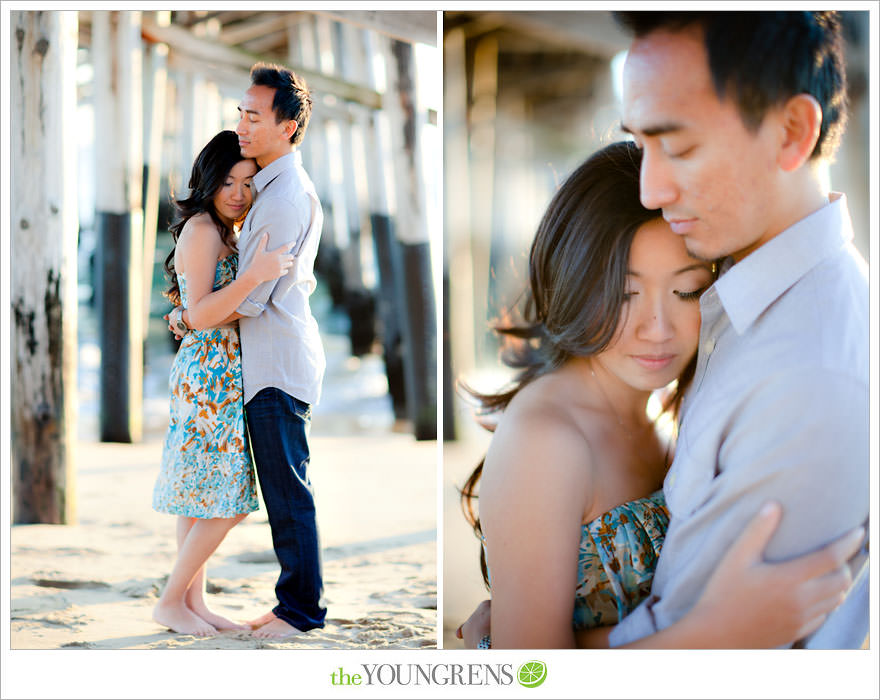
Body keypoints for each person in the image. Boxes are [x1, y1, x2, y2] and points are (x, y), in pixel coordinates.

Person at [464, 9, 869, 649]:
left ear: (793, 131)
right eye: (642, 144)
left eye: (677, 146)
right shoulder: (738, 305)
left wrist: (522, 638)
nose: (652, 188)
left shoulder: (805, 367)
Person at [170, 63, 327, 640]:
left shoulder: (283, 199)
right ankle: (258, 604)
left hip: (273, 364)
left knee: (286, 494)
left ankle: (300, 611)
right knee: (270, 491)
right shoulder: (270, 188)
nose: (242, 124)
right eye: (240, 112)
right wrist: (193, 312)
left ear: (288, 127)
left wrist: (188, 316)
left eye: (254, 116)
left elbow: (250, 301)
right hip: (258, 364)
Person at [152, 130, 294, 636]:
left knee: (199, 493)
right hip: (209, 377)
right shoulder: (204, 230)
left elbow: (193, 310)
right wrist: (255, 275)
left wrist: (190, 314)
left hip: (217, 371)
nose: (238, 192)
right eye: (227, 181)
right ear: (208, 181)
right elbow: (204, 313)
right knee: (226, 499)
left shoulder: (220, 229)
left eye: (248, 182)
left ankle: (194, 603)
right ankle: (171, 600)